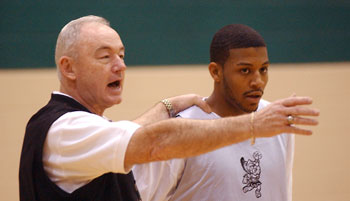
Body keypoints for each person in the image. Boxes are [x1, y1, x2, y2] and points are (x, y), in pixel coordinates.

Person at [19, 16, 319, 201]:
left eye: (122, 55)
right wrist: (254, 125)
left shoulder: (85, 127)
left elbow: (125, 134)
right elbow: (154, 142)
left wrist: (165, 106)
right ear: (69, 68)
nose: (120, 65)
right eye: (105, 56)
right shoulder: (66, 129)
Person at [133, 24, 310, 201]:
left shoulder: (277, 119)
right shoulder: (181, 129)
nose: (258, 81)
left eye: (263, 69)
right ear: (216, 72)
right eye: (245, 70)